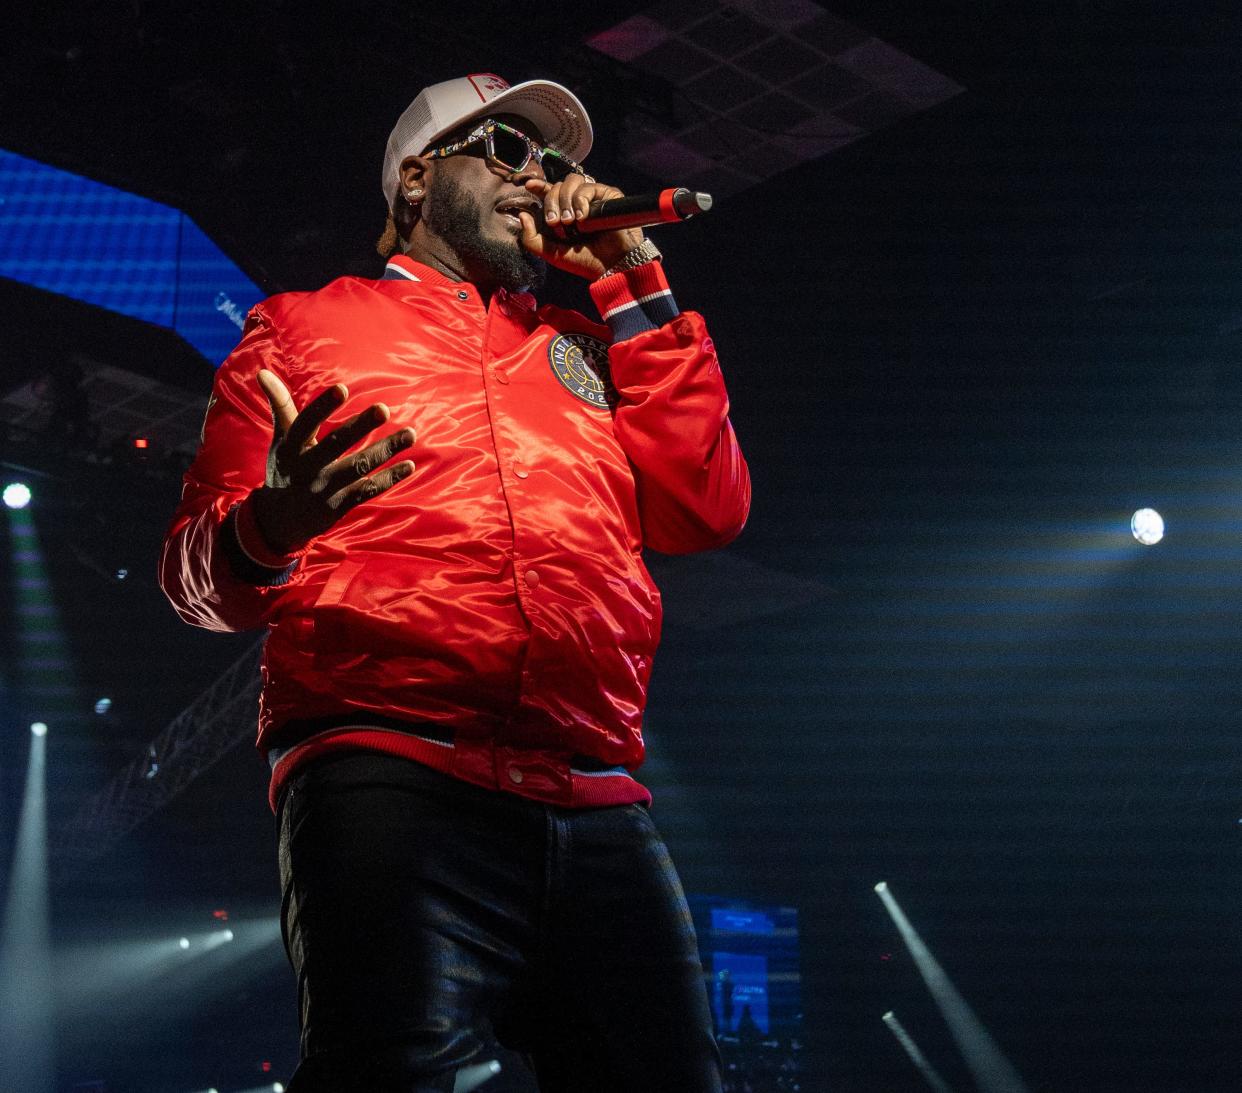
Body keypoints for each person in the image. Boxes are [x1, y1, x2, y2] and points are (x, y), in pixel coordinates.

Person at [160, 72, 751, 1093]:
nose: (543, 182)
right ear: (419, 179)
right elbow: (195, 580)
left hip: (594, 786)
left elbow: (708, 508)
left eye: (558, 165)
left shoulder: (582, 345)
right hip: (394, 769)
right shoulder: (299, 329)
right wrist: (273, 521)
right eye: (510, 153)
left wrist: (632, 280)